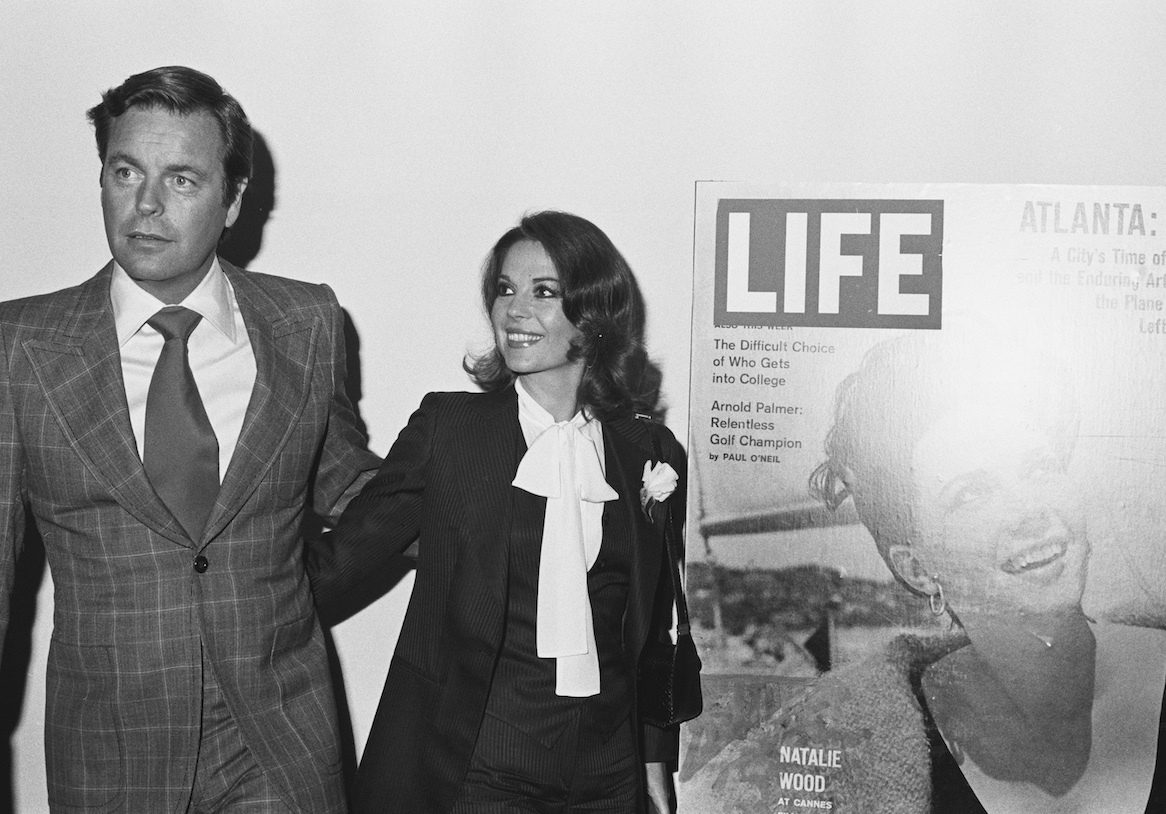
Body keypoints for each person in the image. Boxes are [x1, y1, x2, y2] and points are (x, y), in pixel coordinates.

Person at [0, 66, 379, 813]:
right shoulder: (20, 348)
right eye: (125, 171)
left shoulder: (306, 325)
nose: (145, 204)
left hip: (280, 745)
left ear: (233, 200)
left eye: (181, 179)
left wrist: (489, 472)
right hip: (113, 756)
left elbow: (352, 486)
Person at [682, 329, 1166, 814]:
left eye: (1040, 467)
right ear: (918, 568)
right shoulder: (854, 724)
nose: (1029, 511)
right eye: (972, 493)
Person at [307, 211, 692, 813]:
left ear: (594, 316)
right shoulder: (450, 432)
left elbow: (651, 631)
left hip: (607, 776)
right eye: (505, 290)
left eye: (544, 292)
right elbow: (338, 565)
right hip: (482, 769)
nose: (514, 310)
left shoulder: (651, 453)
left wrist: (652, 761)